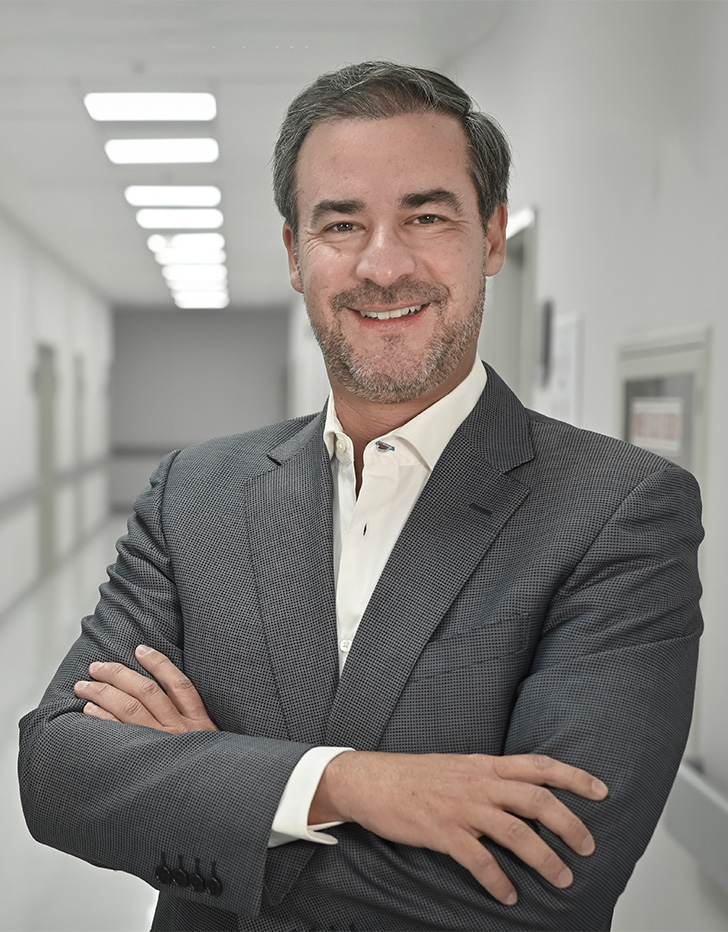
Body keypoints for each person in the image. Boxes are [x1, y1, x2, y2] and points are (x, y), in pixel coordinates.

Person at [19, 62, 703, 932]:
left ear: (490, 237)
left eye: (426, 216)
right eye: (342, 223)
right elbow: (57, 771)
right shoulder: (195, 494)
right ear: (295, 254)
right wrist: (344, 783)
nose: (384, 265)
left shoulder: (618, 512)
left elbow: (542, 892)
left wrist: (219, 787)